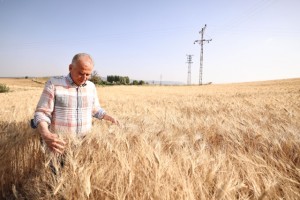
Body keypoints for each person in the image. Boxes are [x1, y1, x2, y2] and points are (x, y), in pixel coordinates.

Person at [32, 53, 119, 154]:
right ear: (70, 68)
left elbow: (94, 109)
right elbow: (41, 113)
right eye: (81, 73)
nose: (84, 78)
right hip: (59, 146)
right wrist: (46, 134)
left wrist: (109, 117)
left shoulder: (91, 87)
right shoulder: (54, 84)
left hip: (84, 146)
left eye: (88, 74)